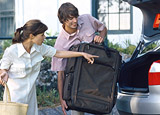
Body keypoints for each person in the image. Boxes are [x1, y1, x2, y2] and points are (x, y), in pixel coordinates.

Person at [0, 19, 98, 115]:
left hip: (31, 98)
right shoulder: (12, 51)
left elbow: (58, 53)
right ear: (31, 36)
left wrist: (82, 54)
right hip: (14, 100)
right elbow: (3, 69)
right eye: (42, 35)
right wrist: (3, 72)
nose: (44, 37)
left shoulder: (40, 48)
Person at [51, 2, 107, 115]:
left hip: (99, 76)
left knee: (104, 108)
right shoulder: (60, 44)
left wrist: (100, 37)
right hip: (78, 84)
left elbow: (103, 28)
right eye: (70, 19)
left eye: (76, 17)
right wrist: (62, 99)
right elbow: (61, 74)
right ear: (63, 20)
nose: (75, 21)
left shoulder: (87, 18)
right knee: (77, 113)